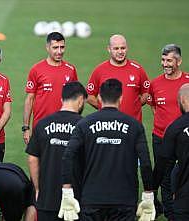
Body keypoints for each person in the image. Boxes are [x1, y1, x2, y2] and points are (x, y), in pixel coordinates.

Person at [60, 79, 154, 221]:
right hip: (124, 199)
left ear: (99, 97)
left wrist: (66, 191)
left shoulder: (84, 124)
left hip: (92, 198)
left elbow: (68, 156)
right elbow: (146, 163)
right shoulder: (135, 126)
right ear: (121, 98)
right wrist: (148, 194)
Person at [26, 81, 87, 221]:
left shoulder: (42, 124)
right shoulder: (85, 126)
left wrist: (37, 188)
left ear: (61, 99)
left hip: (47, 198)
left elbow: (32, 159)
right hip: (75, 198)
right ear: (80, 100)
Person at [148, 44, 189, 220]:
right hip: (160, 138)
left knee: (183, 174)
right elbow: (154, 107)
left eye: (169, 60)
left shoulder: (187, 83)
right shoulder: (155, 83)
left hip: (185, 139)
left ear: (178, 61)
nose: (165, 64)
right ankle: (171, 214)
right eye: (163, 60)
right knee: (165, 177)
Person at [23, 32, 78, 144]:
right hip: (41, 127)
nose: (59, 51)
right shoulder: (36, 69)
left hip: (64, 127)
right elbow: (29, 99)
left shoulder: (71, 70)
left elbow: (75, 99)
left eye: (62, 47)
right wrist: (26, 128)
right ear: (47, 48)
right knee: (39, 161)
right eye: (55, 47)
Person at [86, 34, 150, 122]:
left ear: (127, 48)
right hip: (108, 125)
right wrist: (104, 107)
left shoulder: (137, 69)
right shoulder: (99, 70)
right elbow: (89, 96)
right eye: (116, 48)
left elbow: (146, 93)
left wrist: (135, 106)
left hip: (132, 125)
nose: (120, 52)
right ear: (109, 49)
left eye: (123, 48)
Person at [152, 83, 189, 221]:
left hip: (184, 196)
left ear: (182, 100)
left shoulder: (175, 128)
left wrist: (152, 189)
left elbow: (162, 164)